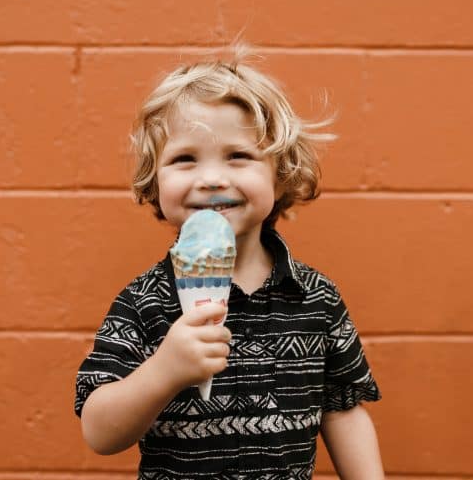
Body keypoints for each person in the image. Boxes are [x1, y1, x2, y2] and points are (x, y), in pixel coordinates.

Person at [74, 45, 384, 479]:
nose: (212, 178)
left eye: (238, 156)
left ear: (279, 174)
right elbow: (99, 431)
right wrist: (164, 371)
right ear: (154, 180)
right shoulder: (143, 301)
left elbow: (343, 411)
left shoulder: (317, 299)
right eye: (184, 159)